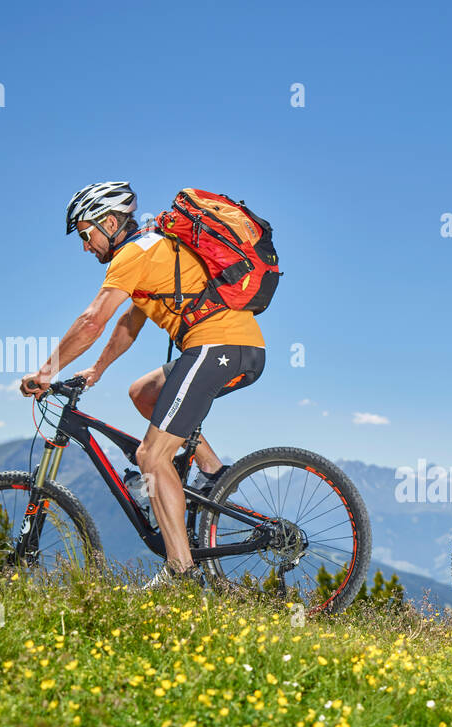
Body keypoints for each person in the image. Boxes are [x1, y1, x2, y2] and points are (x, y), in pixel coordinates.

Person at [20, 181, 267, 587]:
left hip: (219, 347)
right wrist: (96, 370)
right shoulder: (150, 247)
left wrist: (46, 372)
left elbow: (91, 321)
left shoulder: (133, 254)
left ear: (111, 222)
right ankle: (212, 474)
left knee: (152, 457)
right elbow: (127, 323)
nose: (85, 246)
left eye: (86, 234)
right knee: (143, 393)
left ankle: (181, 575)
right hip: (229, 348)